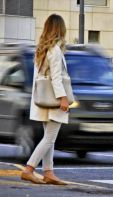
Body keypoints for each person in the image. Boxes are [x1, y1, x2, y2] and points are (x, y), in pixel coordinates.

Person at [20, 14, 71, 185]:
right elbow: (56, 78)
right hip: (54, 99)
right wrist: (63, 98)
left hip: (43, 98)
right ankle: (29, 169)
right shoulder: (55, 50)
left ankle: (49, 172)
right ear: (60, 29)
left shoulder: (41, 49)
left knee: (49, 137)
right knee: (49, 137)